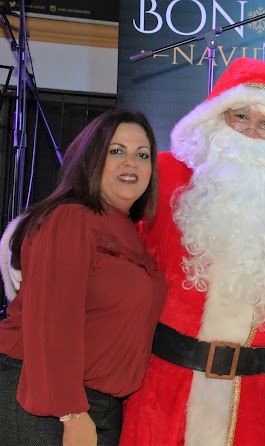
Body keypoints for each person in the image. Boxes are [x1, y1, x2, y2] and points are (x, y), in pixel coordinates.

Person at [119, 57, 265, 446]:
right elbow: (100, 215)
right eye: (240, 116)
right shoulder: (162, 175)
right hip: (166, 389)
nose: (253, 131)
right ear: (216, 118)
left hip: (264, 400)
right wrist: (31, 240)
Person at [0, 109, 167, 446]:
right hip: (44, 398)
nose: (130, 162)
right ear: (91, 159)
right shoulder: (70, 218)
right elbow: (54, 322)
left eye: (142, 154)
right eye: (116, 151)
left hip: (100, 404)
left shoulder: (128, 230)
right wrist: (72, 413)